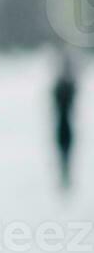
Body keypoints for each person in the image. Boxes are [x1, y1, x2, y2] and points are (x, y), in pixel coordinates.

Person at [54, 46, 77, 192]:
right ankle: (65, 177)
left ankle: (65, 177)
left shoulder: (63, 87)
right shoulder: (67, 87)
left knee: (65, 154)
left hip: (64, 126)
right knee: (65, 154)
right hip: (64, 126)